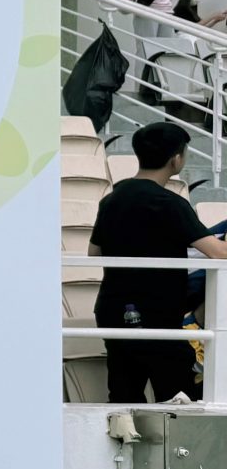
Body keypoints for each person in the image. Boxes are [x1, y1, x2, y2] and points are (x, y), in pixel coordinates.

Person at [93, 122, 227, 403]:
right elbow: (217, 252)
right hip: (157, 314)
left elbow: (94, 253)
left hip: (112, 310)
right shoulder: (170, 203)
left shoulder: (112, 199)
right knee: (178, 396)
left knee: (124, 394)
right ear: (176, 159)